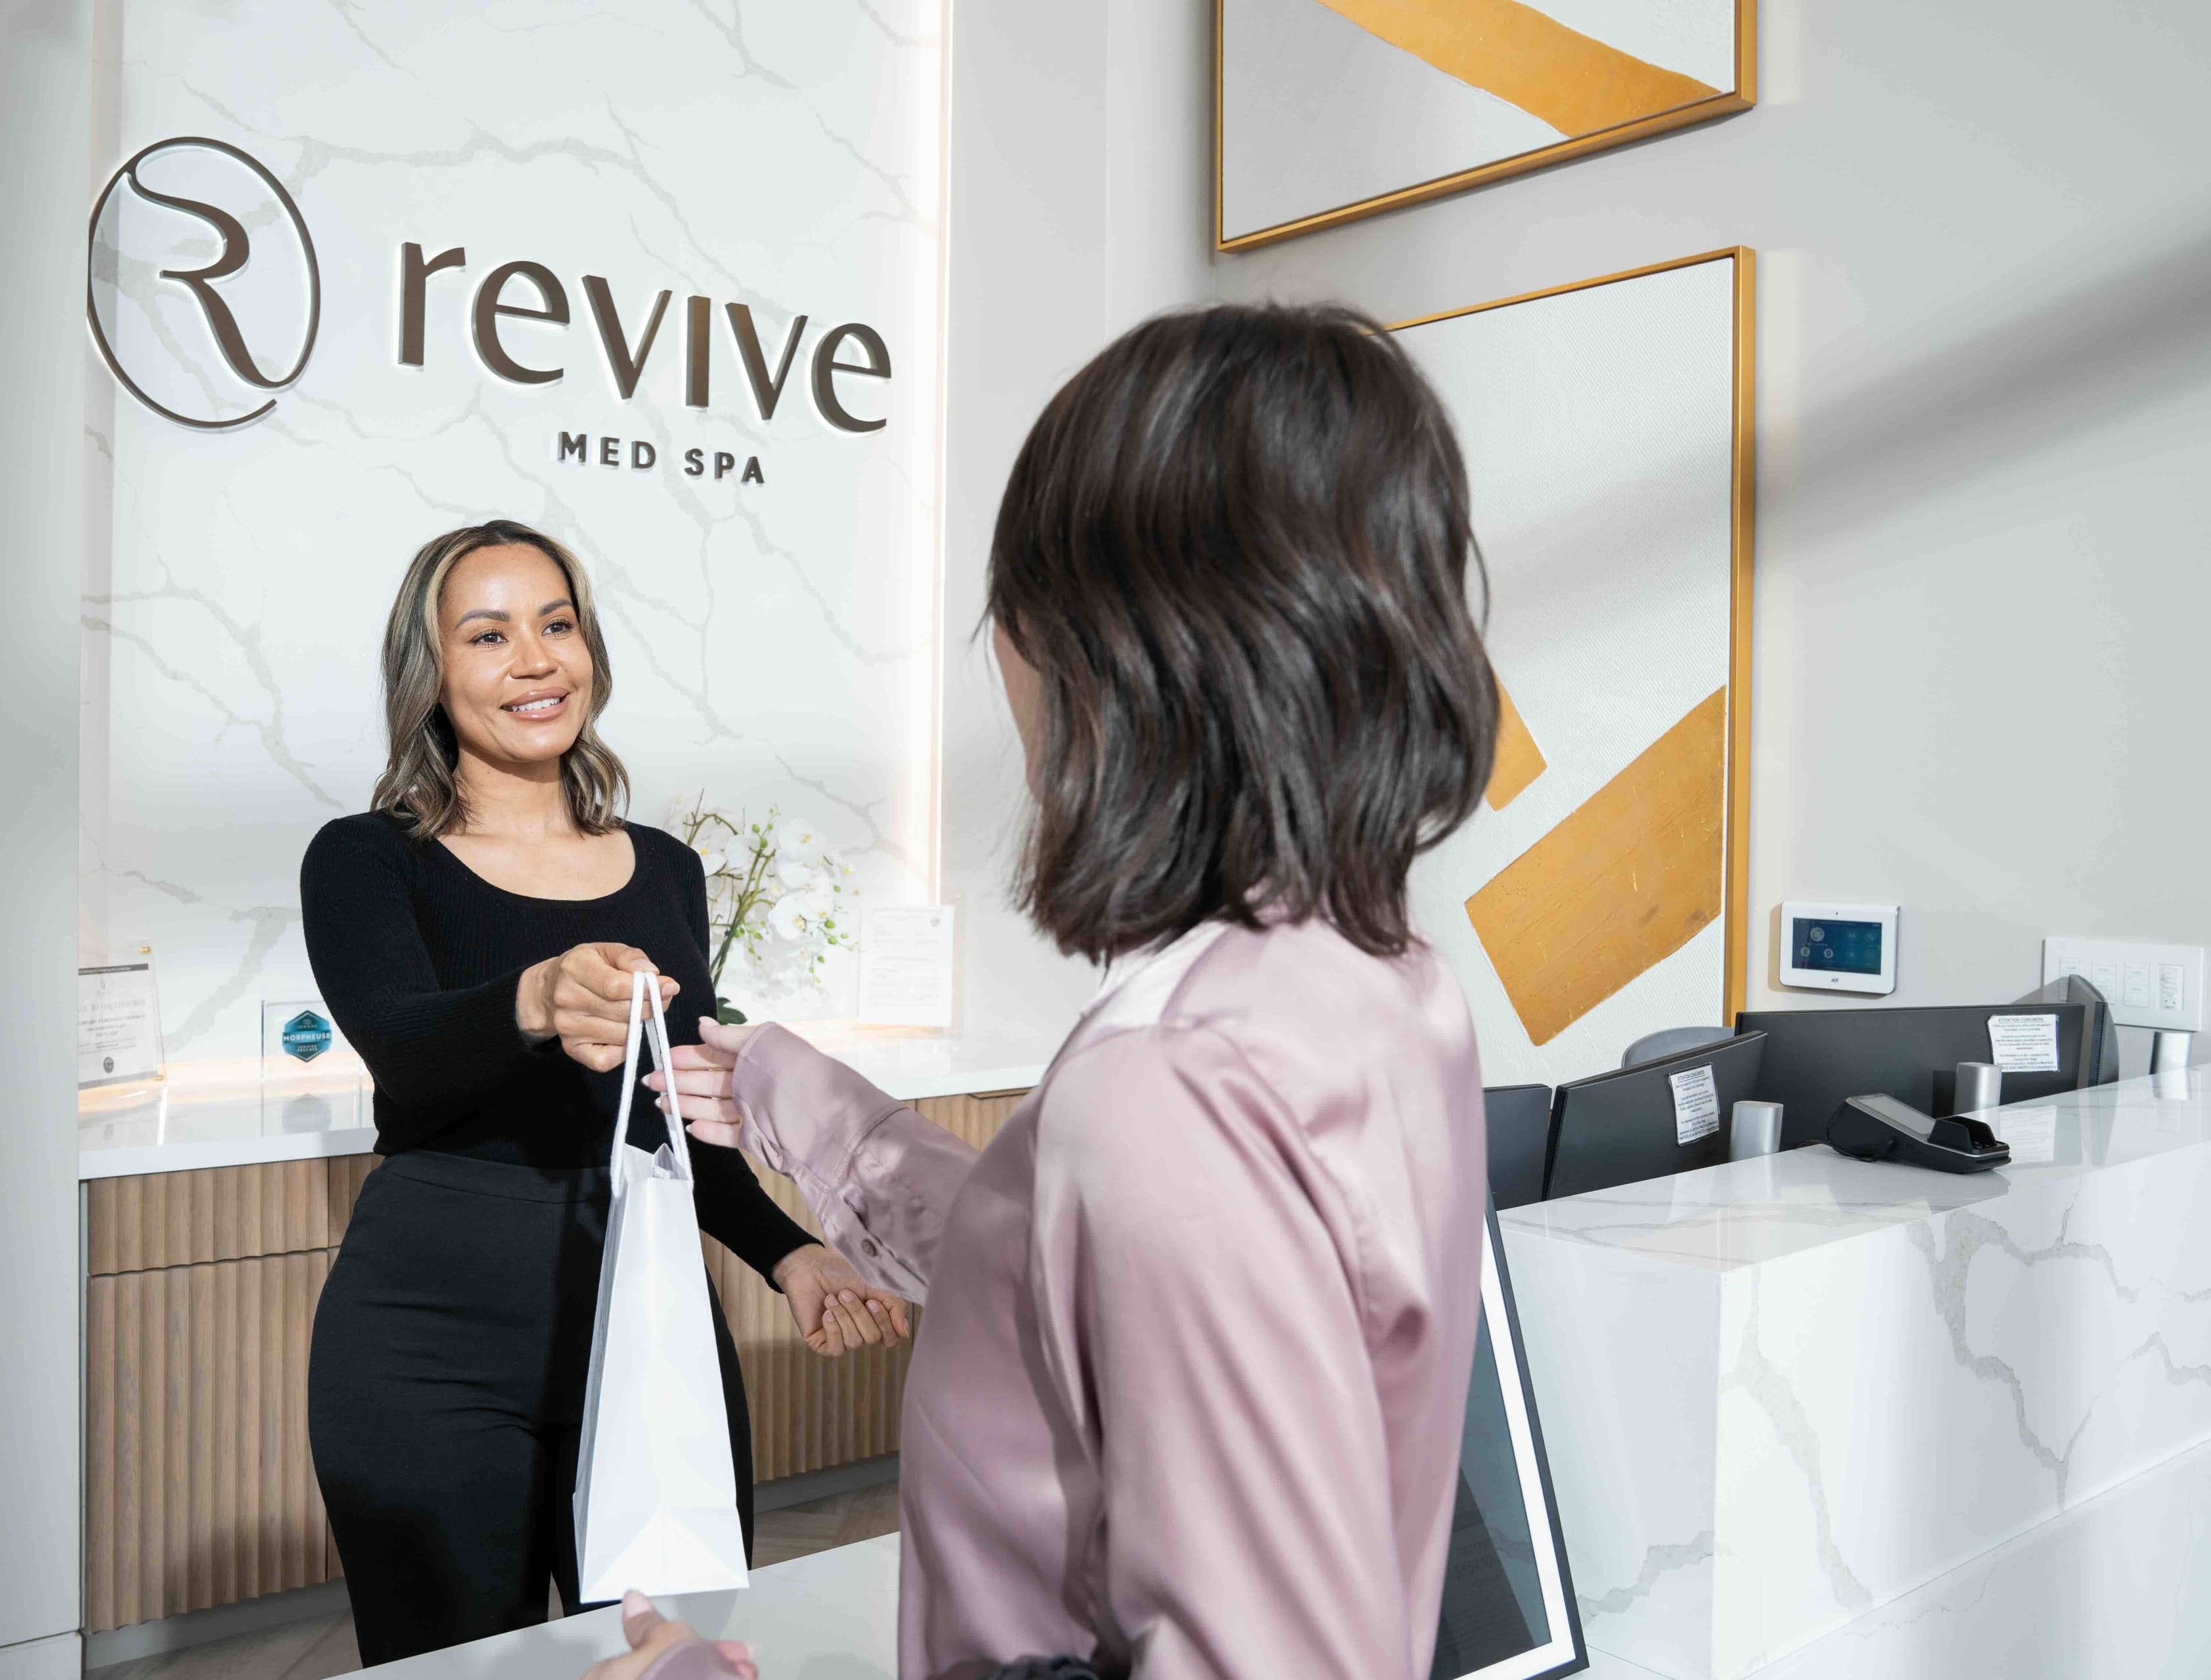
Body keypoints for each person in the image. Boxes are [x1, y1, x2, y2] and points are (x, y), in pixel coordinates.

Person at [596, 304, 1502, 1679]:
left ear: (1107, 644)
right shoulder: (1382, 987)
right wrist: (799, 1100)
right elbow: (1083, 1288)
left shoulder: (1172, 1086)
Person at [301, 518, 912, 1666]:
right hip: (429, 1350)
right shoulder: (365, 859)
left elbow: (677, 1121)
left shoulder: (667, 869)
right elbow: (405, 1049)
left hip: (652, 1331)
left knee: (674, 1657)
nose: (536, 660)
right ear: (431, 675)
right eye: (488, 635)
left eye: (557, 623)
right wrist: (534, 998)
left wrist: (794, 1253)